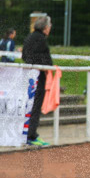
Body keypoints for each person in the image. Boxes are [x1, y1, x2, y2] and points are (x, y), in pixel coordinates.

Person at [22, 15, 53, 146]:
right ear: (45, 28)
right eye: (49, 25)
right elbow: (46, 60)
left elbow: (25, 56)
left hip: (28, 77)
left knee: (29, 106)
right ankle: (32, 135)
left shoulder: (29, 38)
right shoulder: (41, 40)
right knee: (35, 106)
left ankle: (27, 133)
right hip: (38, 78)